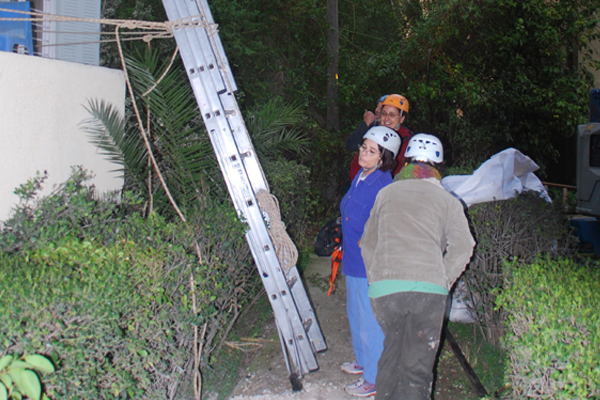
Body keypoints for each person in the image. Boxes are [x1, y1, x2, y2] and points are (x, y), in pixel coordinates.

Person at [360, 134, 476, 400]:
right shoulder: (448, 201)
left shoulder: (386, 193)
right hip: (429, 292)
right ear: (439, 164)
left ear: (407, 161)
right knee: (417, 370)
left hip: (385, 291)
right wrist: (442, 280)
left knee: (391, 358)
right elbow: (463, 246)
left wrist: (375, 278)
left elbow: (367, 243)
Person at [340, 126, 401, 397]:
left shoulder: (384, 185)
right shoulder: (362, 177)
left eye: (371, 150)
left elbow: (390, 226)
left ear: (383, 157)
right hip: (352, 260)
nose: (363, 152)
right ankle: (362, 361)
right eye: (363, 147)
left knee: (371, 321)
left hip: (370, 265)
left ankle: (374, 379)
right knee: (355, 314)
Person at [347, 94, 412, 180]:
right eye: (384, 114)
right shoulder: (373, 134)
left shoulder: (407, 141)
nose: (386, 119)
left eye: (392, 115)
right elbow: (357, 163)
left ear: (402, 118)